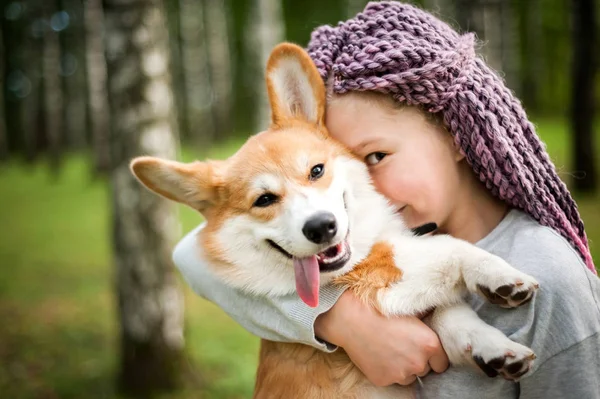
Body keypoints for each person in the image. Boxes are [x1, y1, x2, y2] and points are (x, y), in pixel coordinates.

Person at [172, 2, 600, 397]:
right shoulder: (351, 246)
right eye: (344, 164)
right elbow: (193, 253)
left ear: (454, 133)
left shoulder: (548, 278)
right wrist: (338, 320)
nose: (354, 192)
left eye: (376, 157)